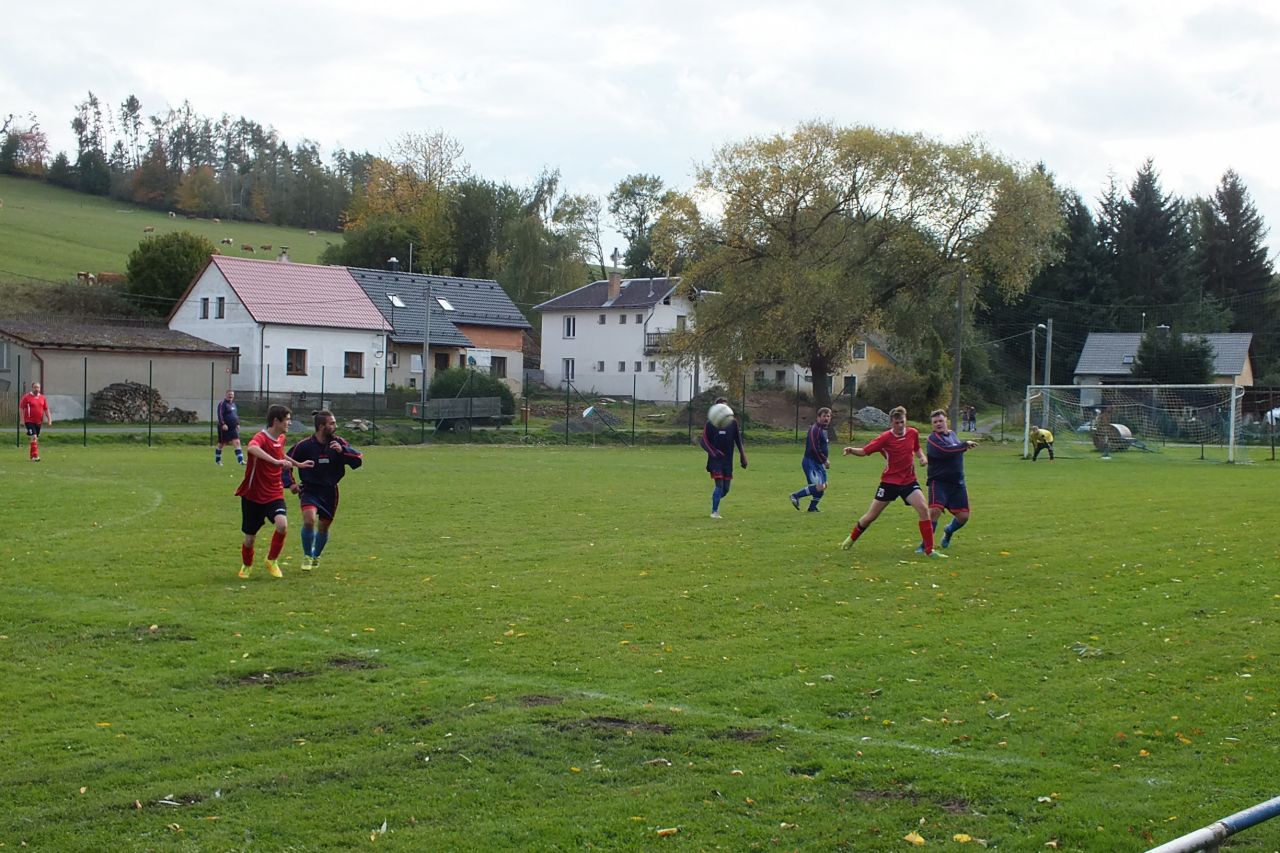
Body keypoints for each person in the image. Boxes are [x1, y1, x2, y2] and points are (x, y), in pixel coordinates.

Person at [839, 405, 945, 558]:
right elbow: (864, 451)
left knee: (923, 510)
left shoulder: (913, 433)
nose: (900, 425)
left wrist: (922, 457)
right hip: (889, 483)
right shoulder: (884, 438)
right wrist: (851, 450)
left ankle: (929, 551)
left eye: (902, 422)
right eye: (897, 423)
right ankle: (851, 539)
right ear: (891, 423)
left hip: (909, 481)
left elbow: (917, 448)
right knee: (871, 516)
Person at [234, 405, 313, 579]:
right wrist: (275, 462)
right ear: (276, 421)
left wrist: (298, 464)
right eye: (287, 419)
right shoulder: (261, 437)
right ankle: (247, 565)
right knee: (250, 538)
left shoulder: (281, 438)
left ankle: (272, 560)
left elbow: (280, 453)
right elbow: (252, 448)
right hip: (253, 494)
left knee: (282, 525)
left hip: (274, 492)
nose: (289, 423)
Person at [282, 410, 364, 571]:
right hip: (309, 489)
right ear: (321, 426)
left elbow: (358, 460)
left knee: (323, 527)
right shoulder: (305, 445)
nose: (335, 426)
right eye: (332, 423)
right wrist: (290, 484)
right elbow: (285, 461)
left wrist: (343, 451)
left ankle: (316, 555)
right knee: (309, 520)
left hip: (330, 492)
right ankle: (307, 556)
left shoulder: (339, 442)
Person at [918, 409, 977, 551]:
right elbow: (947, 451)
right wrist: (964, 445)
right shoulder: (933, 439)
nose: (938, 424)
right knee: (934, 511)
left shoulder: (952, 435)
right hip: (939, 482)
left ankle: (948, 531)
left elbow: (955, 448)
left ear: (946, 421)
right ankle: (925, 546)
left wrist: (962, 446)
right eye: (935, 422)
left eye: (941, 421)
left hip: (957, 483)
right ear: (932, 424)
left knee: (963, 517)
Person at [699, 397, 747, 519]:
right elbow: (703, 441)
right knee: (719, 485)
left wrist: (743, 456)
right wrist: (713, 452)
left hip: (727, 460)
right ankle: (714, 511)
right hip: (715, 460)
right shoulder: (710, 424)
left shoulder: (733, 423)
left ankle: (715, 499)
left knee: (726, 489)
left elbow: (738, 440)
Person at [790, 407, 832, 512]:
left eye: (828, 416)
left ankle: (812, 508)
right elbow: (814, 447)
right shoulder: (815, 429)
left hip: (818, 463)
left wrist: (823, 460)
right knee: (819, 486)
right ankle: (795, 496)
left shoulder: (823, 430)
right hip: (811, 462)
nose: (826, 418)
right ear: (818, 417)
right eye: (824, 416)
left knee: (824, 485)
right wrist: (824, 460)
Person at [19, 382, 53, 462]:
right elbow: (21, 408)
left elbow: (46, 409)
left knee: (35, 438)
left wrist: (49, 419)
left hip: (38, 422)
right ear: (32, 388)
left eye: (38, 387)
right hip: (29, 421)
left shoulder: (42, 398)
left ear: (40, 388)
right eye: (35, 387)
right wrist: (22, 420)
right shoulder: (27, 397)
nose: (36, 389)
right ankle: (35, 456)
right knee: (33, 437)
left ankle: (32, 456)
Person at [216, 389, 244, 466]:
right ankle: (218, 460)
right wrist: (223, 424)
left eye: (232, 395)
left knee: (237, 442)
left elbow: (235, 415)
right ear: (226, 395)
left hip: (233, 427)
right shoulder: (222, 404)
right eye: (229, 394)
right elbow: (220, 414)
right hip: (225, 427)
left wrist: (237, 424)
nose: (230, 396)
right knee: (222, 444)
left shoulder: (233, 405)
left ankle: (241, 461)